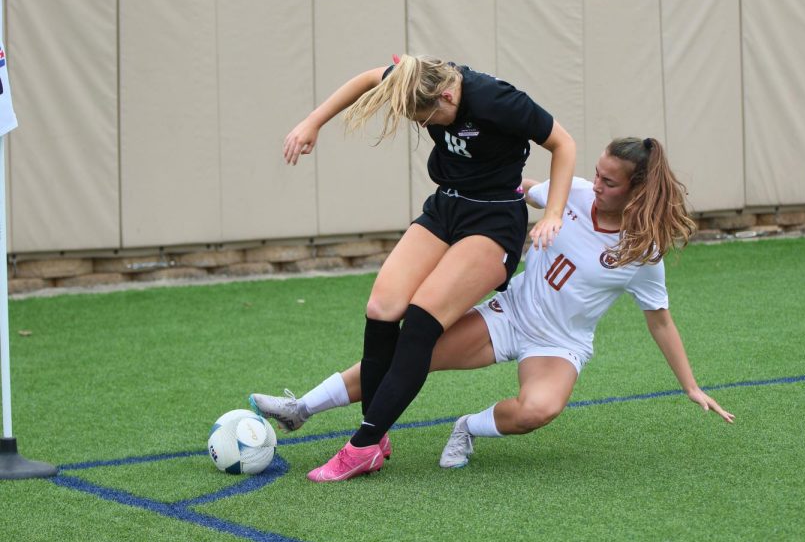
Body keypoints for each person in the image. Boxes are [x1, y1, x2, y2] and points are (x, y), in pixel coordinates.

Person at [252, 137, 734, 472]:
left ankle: (467, 429)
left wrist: (690, 386)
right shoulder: (572, 193)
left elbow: (660, 321)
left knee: (537, 410)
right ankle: (301, 408)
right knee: (406, 354)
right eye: (597, 173)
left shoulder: (643, 251)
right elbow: (519, 190)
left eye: (609, 181)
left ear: (637, 190)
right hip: (508, 316)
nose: (595, 184)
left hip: (559, 343)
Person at [253, 54, 576, 482]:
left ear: (447, 97)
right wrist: (311, 123)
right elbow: (368, 78)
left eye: (427, 118)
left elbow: (563, 144)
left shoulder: (497, 100)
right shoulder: (416, 77)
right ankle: (376, 435)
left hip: (494, 220)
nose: (424, 125)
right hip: (446, 206)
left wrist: (552, 213)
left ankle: (362, 445)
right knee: (381, 308)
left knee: (421, 322)